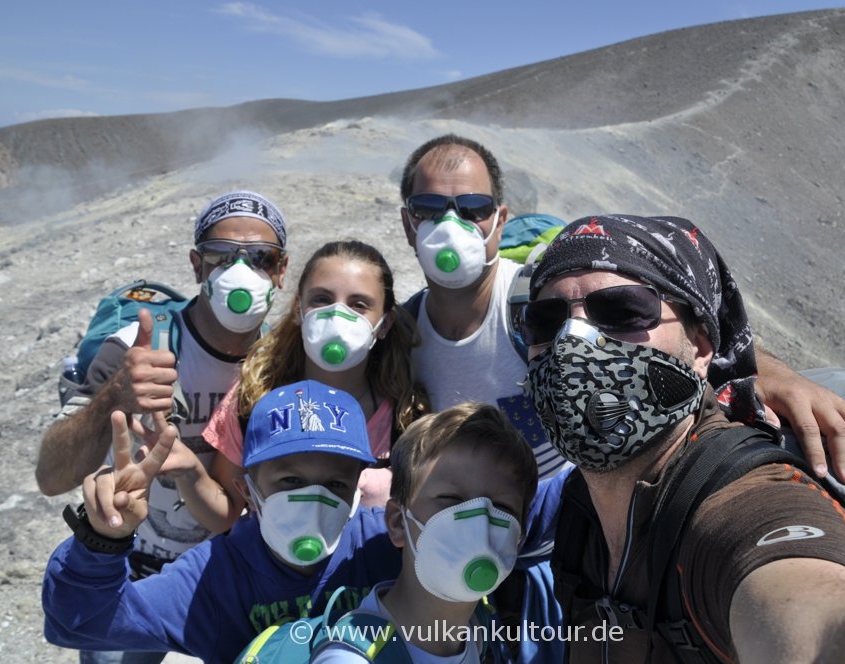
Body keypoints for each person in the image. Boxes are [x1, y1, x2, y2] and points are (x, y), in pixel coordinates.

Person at [521, 214, 845, 663]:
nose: (572, 343)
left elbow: (823, 623)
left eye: (621, 312)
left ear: (700, 347)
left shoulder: (746, 505)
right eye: (546, 322)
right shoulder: (577, 512)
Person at [398, 134, 845, 485]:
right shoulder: (401, 337)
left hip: (574, 532)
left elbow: (663, 325)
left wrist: (772, 375)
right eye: (428, 208)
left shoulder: (539, 297)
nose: (451, 223)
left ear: (499, 220)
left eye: (472, 207)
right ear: (407, 224)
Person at [35, 190, 289, 664]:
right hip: (130, 577)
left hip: (223, 580)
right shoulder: (136, 347)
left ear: (281, 270)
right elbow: (51, 477)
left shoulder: (282, 366)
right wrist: (113, 394)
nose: (240, 272)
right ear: (197, 266)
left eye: (260, 258)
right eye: (220, 257)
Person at [42, 380, 400, 663]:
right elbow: (79, 622)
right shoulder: (214, 578)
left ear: (356, 489)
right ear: (247, 491)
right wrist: (102, 540)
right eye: (290, 481)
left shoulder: (383, 546)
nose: (313, 499)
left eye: (335, 484)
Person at [182, 240, 429, 533]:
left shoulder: (407, 417)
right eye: (322, 299)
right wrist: (187, 471)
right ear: (299, 309)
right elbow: (227, 516)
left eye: (358, 305)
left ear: (385, 323)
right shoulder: (254, 401)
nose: (338, 316)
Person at [311, 402, 540, 663]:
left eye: (501, 507)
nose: (479, 523)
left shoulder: (478, 630)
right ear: (398, 522)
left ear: (517, 540)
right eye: (452, 499)